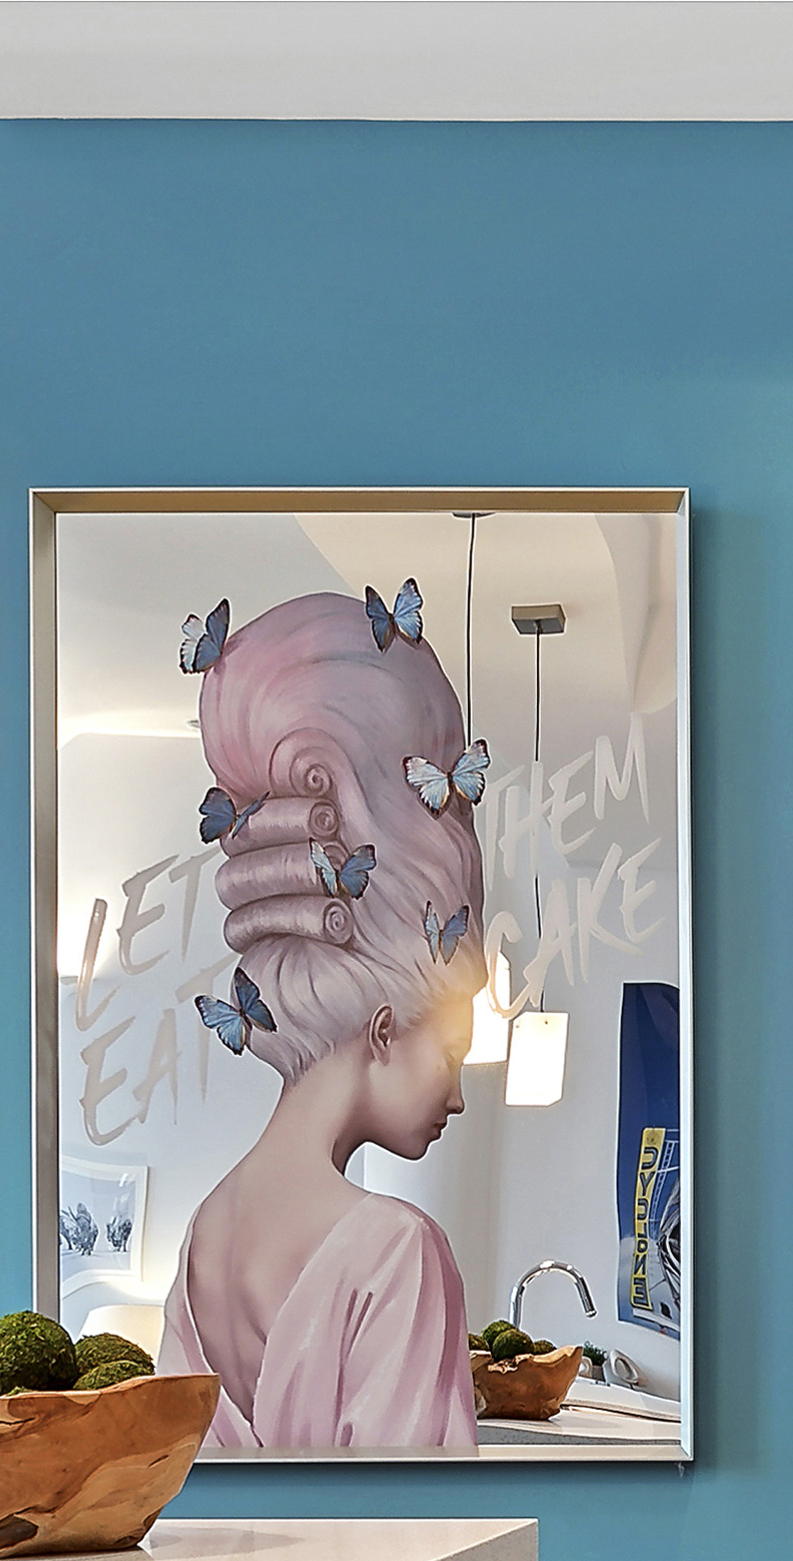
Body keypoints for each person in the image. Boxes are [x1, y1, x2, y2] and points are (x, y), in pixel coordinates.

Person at [158, 588, 492, 1451]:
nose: (457, 1097)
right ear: (382, 1030)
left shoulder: (203, 1241)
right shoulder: (395, 1249)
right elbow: (422, 1518)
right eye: (451, 1053)